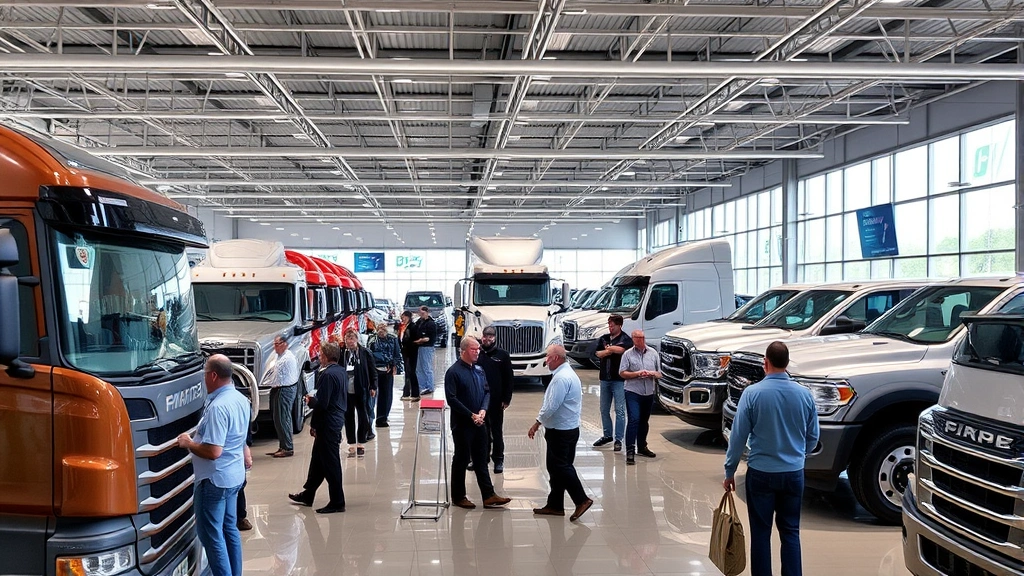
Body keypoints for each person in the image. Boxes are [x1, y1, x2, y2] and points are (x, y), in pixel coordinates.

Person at [724, 341, 819, 576]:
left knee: (760, 533)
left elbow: (737, 437)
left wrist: (730, 471)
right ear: (787, 364)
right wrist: (797, 455)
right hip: (793, 474)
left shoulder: (752, 394)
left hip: (761, 475)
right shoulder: (805, 395)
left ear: (765, 363)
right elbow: (813, 437)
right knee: (790, 532)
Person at [176, 354, 251, 576]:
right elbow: (239, 437)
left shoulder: (219, 407)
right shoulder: (239, 399)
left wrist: (189, 443)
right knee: (229, 529)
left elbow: (214, 451)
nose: (204, 378)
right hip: (234, 477)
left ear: (214, 375)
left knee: (211, 534)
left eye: (205, 374)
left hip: (214, 480)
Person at [444, 336, 512, 510]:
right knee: (462, 459)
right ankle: (458, 496)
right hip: (462, 425)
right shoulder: (453, 372)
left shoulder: (479, 370)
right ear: (464, 350)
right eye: (474, 349)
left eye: (479, 349)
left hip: (479, 422)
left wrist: (482, 410)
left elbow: (487, 392)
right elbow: (452, 399)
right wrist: (471, 415)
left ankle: (488, 495)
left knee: (482, 459)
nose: (478, 352)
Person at [528, 345, 593, 522]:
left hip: (561, 431)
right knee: (556, 468)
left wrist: (537, 423)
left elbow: (551, 406)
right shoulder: (567, 374)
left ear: (556, 358)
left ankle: (581, 499)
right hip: (568, 428)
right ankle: (555, 505)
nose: (546, 360)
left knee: (561, 467)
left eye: (548, 357)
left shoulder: (561, 379)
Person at [289, 341, 347, 514]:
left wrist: (310, 401)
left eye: (321, 354)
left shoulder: (327, 375)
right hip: (334, 420)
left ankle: (337, 501)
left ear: (327, 356)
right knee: (318, 460)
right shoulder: (341, 371)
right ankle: (308, 494)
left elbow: (323, 404)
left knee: (330, 463)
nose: (319, 357)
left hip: (328, 423)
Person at [475, 325, 514, 474]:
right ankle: (482, 458)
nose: (487, 339)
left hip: (497, 400)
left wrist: (507, 399)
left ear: (495, 338)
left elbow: (509, 379)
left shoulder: (502, 355)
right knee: (481, 431)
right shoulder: (478, 354)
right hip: (479, 400)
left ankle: (498, 459)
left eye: (490, 336)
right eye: (485, 336)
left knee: (496, 431)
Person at [619, 329, 662, 465]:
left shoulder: (653, 353)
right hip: (632, 391)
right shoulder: (627, 355)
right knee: (634, 419)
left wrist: (652, 374)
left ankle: (642, 446)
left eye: (642, 337)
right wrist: (637, 374)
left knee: (644, 421)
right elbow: (622, 373)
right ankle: (630, 450)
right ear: (633, 339)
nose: (641, 340)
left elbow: (659, 373)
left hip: (648, 392)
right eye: (638, 338)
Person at [592, 314, 632, 452]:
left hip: (619, 380)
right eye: (609, 325)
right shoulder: (603, 338)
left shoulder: (626, 339)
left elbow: (622, 350)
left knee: (620, 410)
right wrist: (610, 350)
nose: (610, 327)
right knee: (604, 409)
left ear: (619, 325)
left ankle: (619, 439)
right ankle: (607, 435)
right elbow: (598, 353)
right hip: (604, 379)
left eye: (612, 325)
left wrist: (608, 350)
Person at [342, 329, 377, 456]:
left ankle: (361, 442)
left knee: (363, 416)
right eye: (347, 339)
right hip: (347, 391)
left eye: (351, 339)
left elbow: (373, 371)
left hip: (361, 389)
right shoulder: (344, 353)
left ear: (356, 339)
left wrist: (373, 386)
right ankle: (351, 443)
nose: (349, 342)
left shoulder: (365, 353)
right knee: (348, 417)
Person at [267, 334, 299, 458]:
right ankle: (282, 445)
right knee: (277, 418)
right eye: (274, 344)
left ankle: (288, 447)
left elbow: (279, 376)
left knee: (283, 418)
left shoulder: (287, 358)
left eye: (277, 344)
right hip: (278, 388)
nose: (274, 347)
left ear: (284, 344)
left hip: (285, 389)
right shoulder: (278, 356)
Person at [368, 323, 401, 427]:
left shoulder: (393, 339)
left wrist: (393, 365)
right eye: (379, 328)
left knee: (387, 395)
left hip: (388, 369)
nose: (381, 330)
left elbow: (397, 354)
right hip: (375, 370)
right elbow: (368, 354)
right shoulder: (372, 340)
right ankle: (371, 418)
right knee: (372, 394)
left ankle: (383, 418)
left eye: (383, 328)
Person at [414, 305, 438, 395]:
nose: (421, 314)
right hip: (420, 347)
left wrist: (420, 340)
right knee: (419, 368)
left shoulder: (431, 323)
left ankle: (429, 386)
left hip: (427, 347)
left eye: (422, 313)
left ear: (427, 312)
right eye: (420, 313)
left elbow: (429, 338)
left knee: (427, 367)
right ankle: (422, 386)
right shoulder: (420, 321)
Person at [399, 311, 420, 401]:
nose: (402, 319)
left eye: (403, 317)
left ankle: (415, 393)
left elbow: (415, 340)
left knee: (411, 372)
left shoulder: (413, 327)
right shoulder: (404, 327)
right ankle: (406, 392)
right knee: (407, 372)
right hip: (405, 352)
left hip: (411, 352)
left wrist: (409, 344)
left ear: (408, 317)